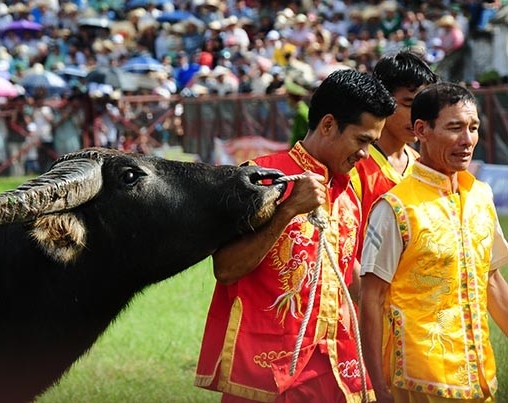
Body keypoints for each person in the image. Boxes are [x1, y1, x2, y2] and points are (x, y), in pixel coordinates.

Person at [195, 69, 396, 402]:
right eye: (362, 141)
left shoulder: (349, 192)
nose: (365, 154)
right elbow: (226, 269)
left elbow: (349, 276)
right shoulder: (259, 179)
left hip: (337, 368)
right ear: (328, 124)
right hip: (267, 373)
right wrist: (288, 210)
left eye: (372, 144)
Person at [359, 82, 508, 403]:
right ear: (422, 130)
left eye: (473, 127)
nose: (467, 140)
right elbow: (370, 299)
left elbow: (491, 280)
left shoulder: (480, 197)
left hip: (478, 376)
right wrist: (378, 389)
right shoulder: (395, 208)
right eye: (454, 128)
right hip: (417, 382)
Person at [350, 50, 438, 259]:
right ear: (382, 100)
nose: (419, 117)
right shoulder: (354, 166)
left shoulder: (423, 166)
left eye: (424, 106)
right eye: (408, 104)